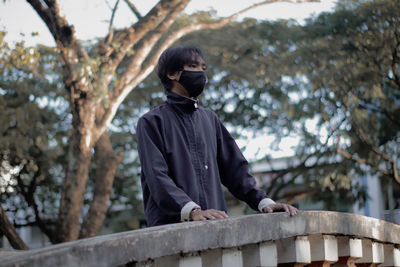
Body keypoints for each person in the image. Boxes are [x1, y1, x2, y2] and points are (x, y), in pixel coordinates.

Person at [136, 45, 298, 227]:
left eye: (203, 68)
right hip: (170, 230)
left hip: (216, 227)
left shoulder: (209, 119)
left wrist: (265, 203)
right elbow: (156, 177)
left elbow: (235, 170)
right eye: (194, 66)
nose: (201, 73)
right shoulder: (151, 122)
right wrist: (192, 211)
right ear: (173, 74)